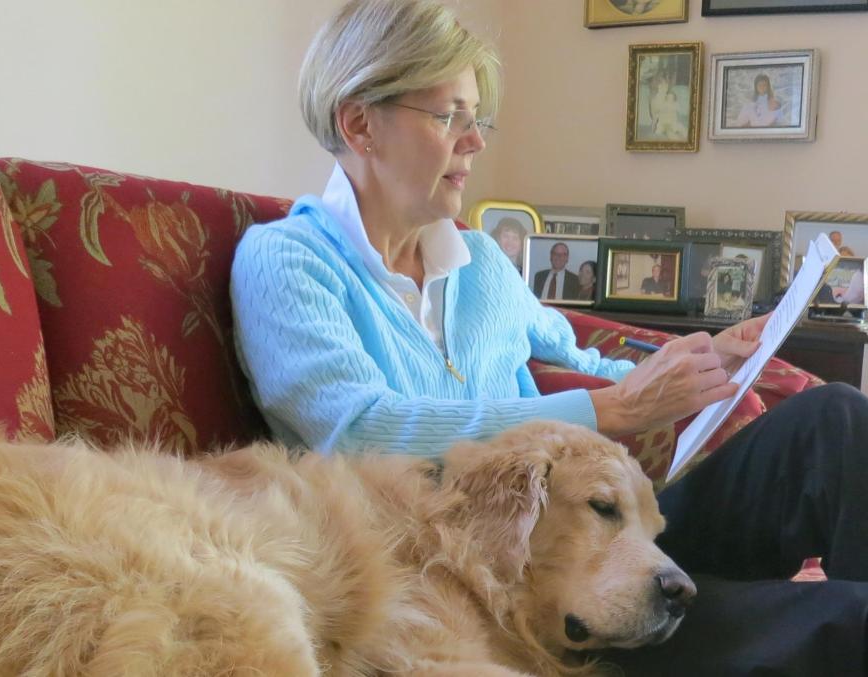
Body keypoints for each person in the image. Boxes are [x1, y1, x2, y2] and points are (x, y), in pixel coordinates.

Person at [230, 1, 868, 674]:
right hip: (487, 593)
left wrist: (702, 361)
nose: (475, 142)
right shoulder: (287, 260)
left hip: (595, 539)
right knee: (849, 617)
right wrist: (616, 409)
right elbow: (356, 430)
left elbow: (582, 358)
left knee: (834, 419)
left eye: (478, 119)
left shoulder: (480, 262)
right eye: (450, 116)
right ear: (359, 123)